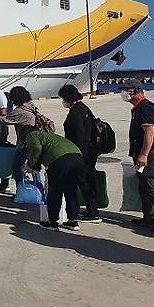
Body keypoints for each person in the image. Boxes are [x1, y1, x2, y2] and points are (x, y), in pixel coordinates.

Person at [120, 78, 154, 230]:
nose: (123, 93)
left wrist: (144, 154)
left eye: (126, 90)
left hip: (150, 155)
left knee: (151, 187)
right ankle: (150, 217)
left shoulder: (146, 108)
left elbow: (149, 132)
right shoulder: (138, 108)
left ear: (135, 91)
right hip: (142, 154)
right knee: (144, 187)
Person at [25, 130, 86, 231]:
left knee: (55, 190)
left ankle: (52, 221)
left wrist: (31, 165)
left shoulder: (31, 135)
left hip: (59, 160)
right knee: (71, 190)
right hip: (77, 157)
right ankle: (73, 221)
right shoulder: (49, 137)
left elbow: (37, 148)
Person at [58, 84, 101, 223]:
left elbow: (79, 135)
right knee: (87, 180)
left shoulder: (76, 111)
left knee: (81, 181)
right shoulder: (84, 108)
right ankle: (92, 209)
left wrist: (77, 155)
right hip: (90, 151)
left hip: (81, 152)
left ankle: (91, 212)